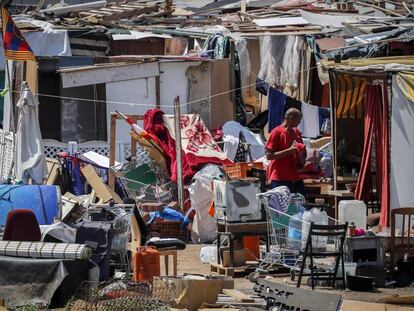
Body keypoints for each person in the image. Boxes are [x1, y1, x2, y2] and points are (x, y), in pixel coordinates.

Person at [265, 108, 306, 197]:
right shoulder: (276, 132)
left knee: (301, 203)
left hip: (296, 178)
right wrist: (288, 151)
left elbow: (301, 149)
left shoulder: (297, 132)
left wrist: (301, 158)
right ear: (291, 118)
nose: (299, 122)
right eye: (298, 119)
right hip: (280, 179)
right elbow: (269, 156)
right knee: (280, 207)